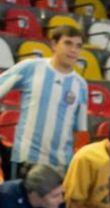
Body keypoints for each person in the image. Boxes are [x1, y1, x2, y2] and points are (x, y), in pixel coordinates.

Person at [0, 25, 87, 174]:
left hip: (60, 165)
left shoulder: (81, 85)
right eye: (68, 43)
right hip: (26, 158)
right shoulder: (30, 67)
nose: (73, 50)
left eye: (78, 46)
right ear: (53, 44)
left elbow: (81, 130)